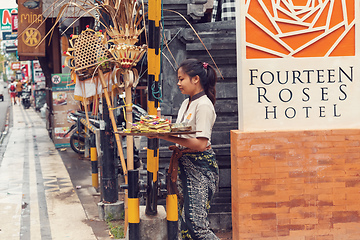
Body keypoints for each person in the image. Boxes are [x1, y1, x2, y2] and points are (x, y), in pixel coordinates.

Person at [158, 59, 219, 239]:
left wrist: (163, 135)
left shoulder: (204, 105)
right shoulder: (186, 104)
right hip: (185, 166)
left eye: (181, 79)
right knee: (185, 225)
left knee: (197, 227)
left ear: (195, 79)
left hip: (201, 168)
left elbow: (201, 143)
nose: (178, 83)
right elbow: (182, 135)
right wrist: (162, 131)